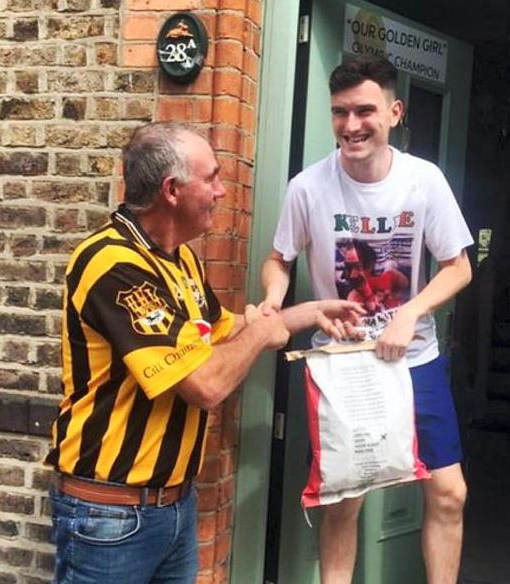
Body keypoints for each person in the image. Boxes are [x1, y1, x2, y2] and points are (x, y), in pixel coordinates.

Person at [45, 122, 362, 584]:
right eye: (211, 178)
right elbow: (205, 384)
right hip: (110, 516)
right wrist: (263, 334)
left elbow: (221, 330)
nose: (221, 191)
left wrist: (309, 312)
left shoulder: (181, 259)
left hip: (174, 506)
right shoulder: (112, 264)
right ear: (172, 190)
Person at [261, 57, 474, 584]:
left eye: (364, 111)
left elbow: (458, 267)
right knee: (344, 499)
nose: (351, 125)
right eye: (340, 112)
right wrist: (272, 299)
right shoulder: (308, 187)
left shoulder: (423, 181)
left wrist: (410, 313)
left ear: (394, 113)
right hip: (343, 364)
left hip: (414, 360)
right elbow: (279, 259)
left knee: (450, 492)